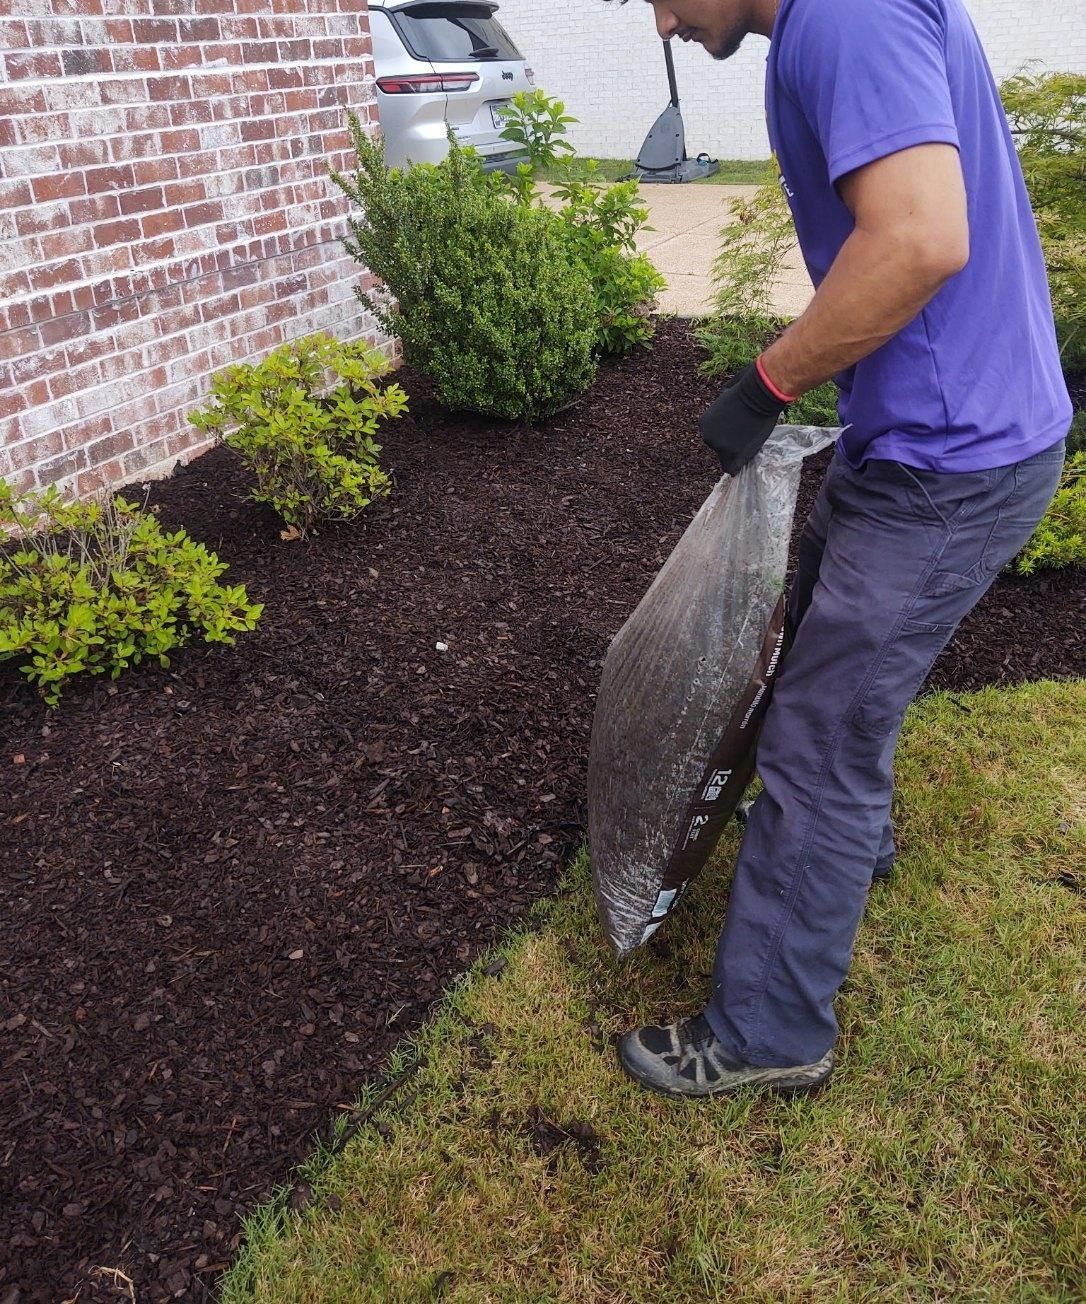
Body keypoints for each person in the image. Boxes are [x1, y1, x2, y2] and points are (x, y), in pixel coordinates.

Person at [615, 0, 1072, 1098]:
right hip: (916, 436)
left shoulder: (849, 17)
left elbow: (919, 238)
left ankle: (771, 1029)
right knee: (814, 649)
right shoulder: (830, 22)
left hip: (950, 465)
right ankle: (844, 849)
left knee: (819, 736)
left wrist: (767, 381)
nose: (664, 24)